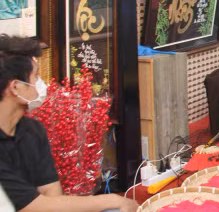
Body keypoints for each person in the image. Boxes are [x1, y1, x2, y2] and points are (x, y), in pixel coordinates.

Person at [0, 35, 140, 212]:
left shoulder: (32, 130)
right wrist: (111, 200)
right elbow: (32, 206)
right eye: (35, 76)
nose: (41, 84)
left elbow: (51, 192)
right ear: (15, 87)